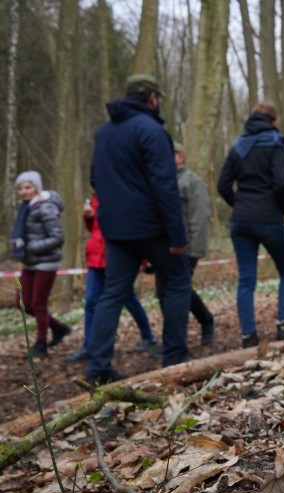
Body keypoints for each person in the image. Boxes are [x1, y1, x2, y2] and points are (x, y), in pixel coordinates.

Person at [87, 74, 192, 385]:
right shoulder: (152, 130)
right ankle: (174, 358)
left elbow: (95, 178)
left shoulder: (104, 133)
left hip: (115, 228)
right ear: (152, 99)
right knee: (176, 282)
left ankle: (97, 367)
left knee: (112, 293)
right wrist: (177, 236)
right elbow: (165, 184)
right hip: (152, 226)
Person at [217, 102, 284, 347]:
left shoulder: (238, 146)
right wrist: (281, 207)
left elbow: (222, 186)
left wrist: (239, 203)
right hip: (269, 217)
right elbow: (281, 183)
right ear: (274, 121)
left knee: (246, 280)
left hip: (240, 220)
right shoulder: (276, 141)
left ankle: (248, 336)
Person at [66, 194, 157, 363]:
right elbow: (94, 228)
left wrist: (143, 259)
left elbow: (134, 230)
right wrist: (88, 218)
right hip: (95, 257)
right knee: (91, 302)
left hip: (117, 258)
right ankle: (88, 346)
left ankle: (148, 336)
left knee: (129, 300)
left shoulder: (123, 193)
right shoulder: (95, 197)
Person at [10, 171, 71, 358]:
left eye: (28, 187)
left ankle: (41, 344)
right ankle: (58, 327)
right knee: (22, 303)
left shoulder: (46, 207)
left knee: (38, 304)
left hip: (46, 262)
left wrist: (31, 247)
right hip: (30, 263)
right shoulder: (25, 208)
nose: (23, 191)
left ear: (37, 188)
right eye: (20, 188)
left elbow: (58, 237)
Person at [171, 142, 215, 345]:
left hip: (187, 246)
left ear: (180, 157)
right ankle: (174, 338)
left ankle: (205, 322)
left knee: (179, 290)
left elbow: (200, 216)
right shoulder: (163, 181)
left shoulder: (192, 182)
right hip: (168, 248)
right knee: (169, 292)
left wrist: (195, 249)